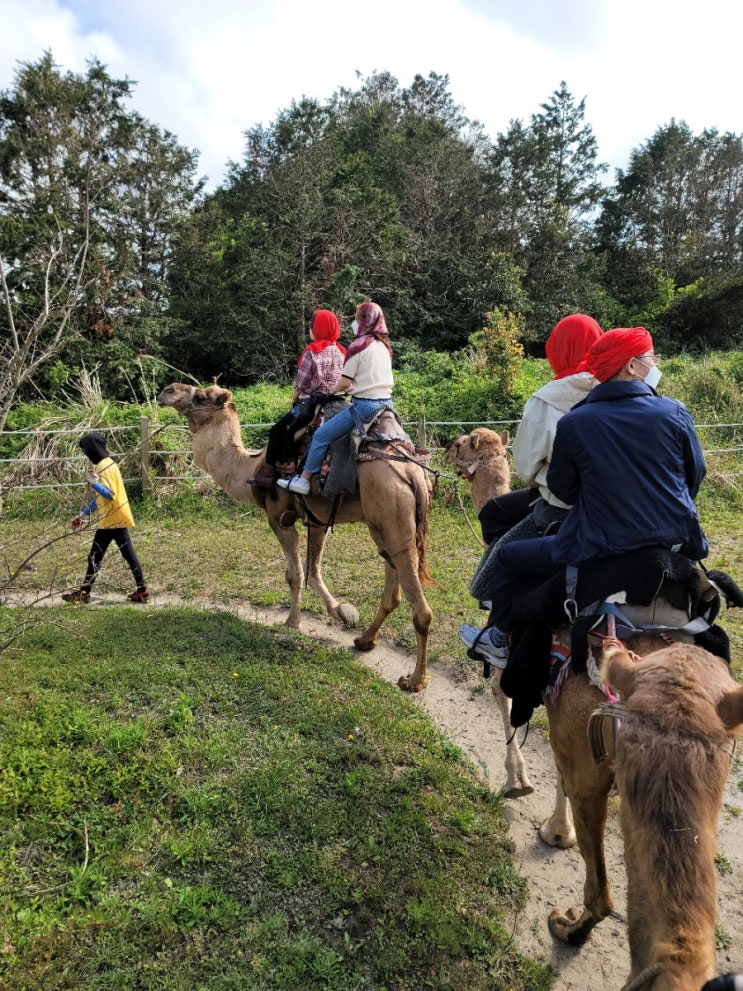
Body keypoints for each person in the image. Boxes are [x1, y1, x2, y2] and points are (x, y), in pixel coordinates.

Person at [486, 326, 708, 632]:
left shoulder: (575, 421)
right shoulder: (675, 411)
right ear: (632, 365)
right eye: (651, 357)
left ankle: (497, 635)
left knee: (508, 555)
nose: (654, 365)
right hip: (677, 540)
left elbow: (564, 487)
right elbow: (695, 475)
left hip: (601, 542)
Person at [460, 313, 603, 665]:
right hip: (618, 505)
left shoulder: (547, 400)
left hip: (561, 508)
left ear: (556, 349)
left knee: (500, 559)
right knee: (497, 509)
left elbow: (526, 468)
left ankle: (499, 628)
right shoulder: (619, 386)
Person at [278, 301, 394, 496]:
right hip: (388, 405)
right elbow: (371, 378)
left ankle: (304, 479)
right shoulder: (384, 347)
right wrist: (352, 387)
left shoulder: (358, 346)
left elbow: (343, 382)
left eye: (357, 318)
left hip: (364, 407)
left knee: (322, 435)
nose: (355, 322)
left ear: (365, 321)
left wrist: (331, 391)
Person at [255, 309, 346, 488]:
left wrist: (294, 398)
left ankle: (268, 474)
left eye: (312, 326)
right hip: (336, 401)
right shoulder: (342, 351)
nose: (309, 329)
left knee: (276, 431)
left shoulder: (311, 352)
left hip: (312, 401)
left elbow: (300, 383)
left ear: (318, 328)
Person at [62, 431, 149, 604]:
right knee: (128, 555)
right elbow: (100, 499)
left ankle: (84, 593)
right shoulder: (107, 464)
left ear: (92, 448)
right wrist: (82, 514)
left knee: (95, 557)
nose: (86, 453)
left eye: (86, 449)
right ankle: (142, 591)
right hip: (116, 516)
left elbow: (109, 494)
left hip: (112, 520)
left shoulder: (104, 467)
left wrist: (95, 483)